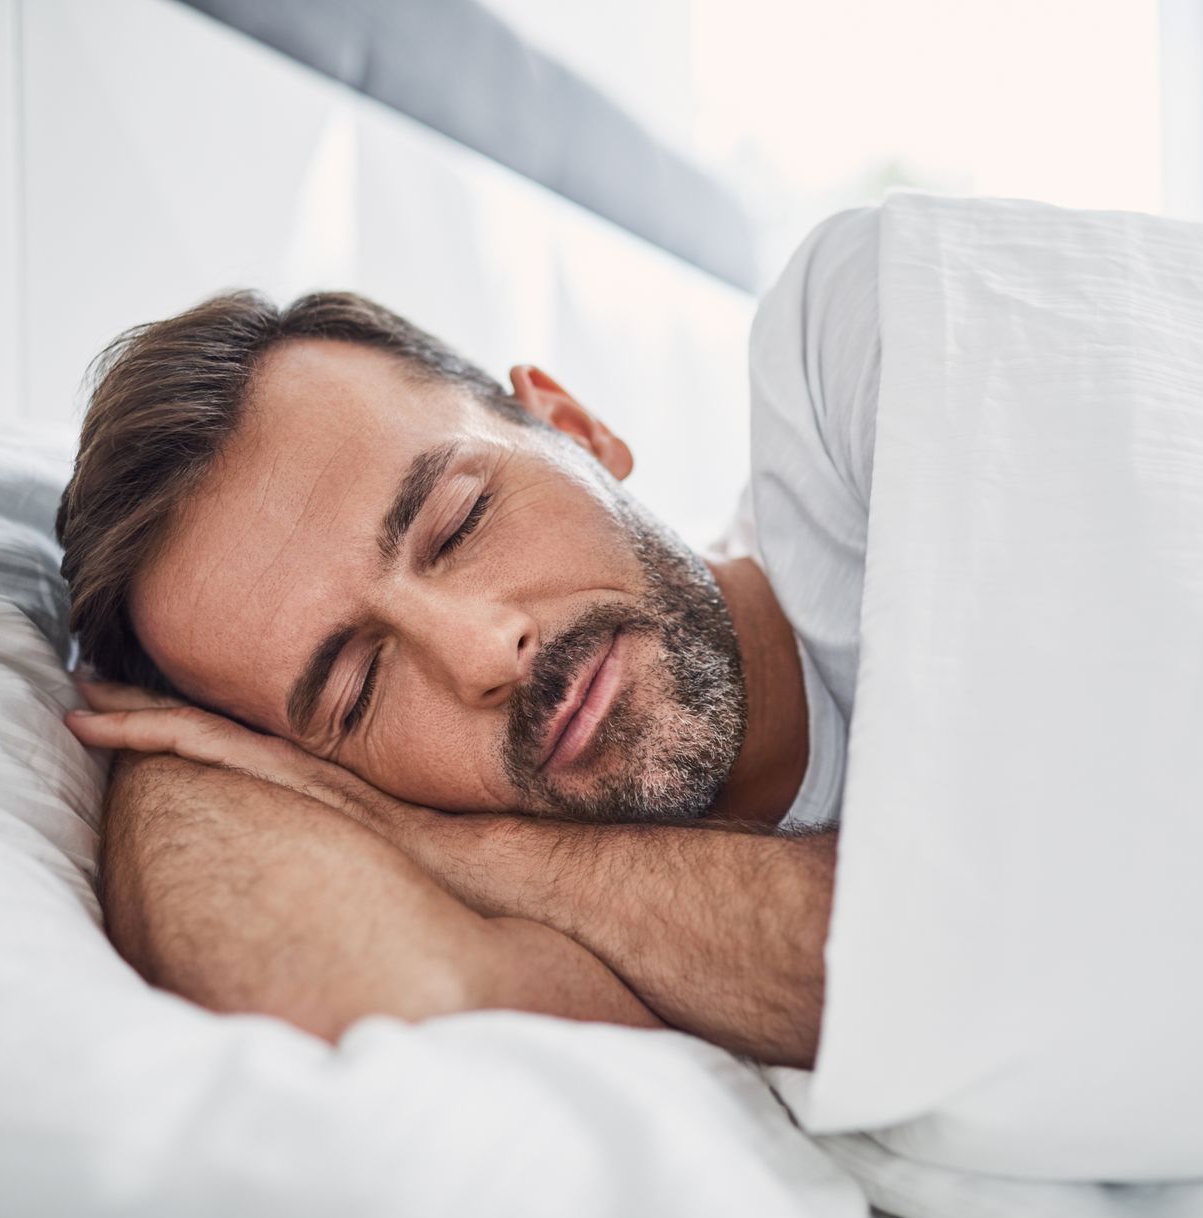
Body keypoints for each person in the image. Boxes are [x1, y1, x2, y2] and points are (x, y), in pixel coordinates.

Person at [58, 210, 882, 1067]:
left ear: (576, 425)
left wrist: (443, 842)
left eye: (460, 525)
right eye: (356, 691)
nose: (485, 654)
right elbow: (360, 997)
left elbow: (973, 955)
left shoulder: (859, 347)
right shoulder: (587, 944)